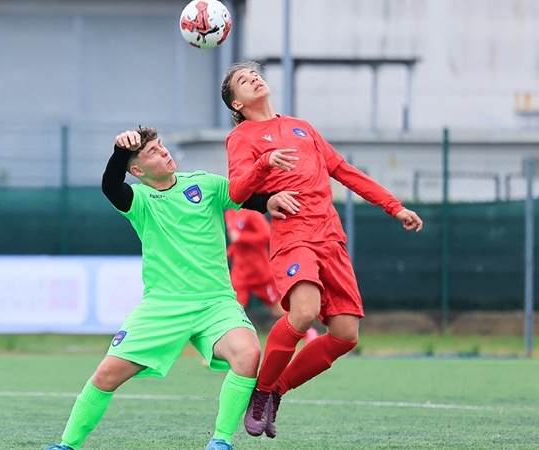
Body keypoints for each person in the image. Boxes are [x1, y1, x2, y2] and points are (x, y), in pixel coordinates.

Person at [46, 126, 298, 450]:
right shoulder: (140, 200)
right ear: (137, 170)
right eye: (152, 152)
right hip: (162, 307)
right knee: (106, 375)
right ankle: (66, 445)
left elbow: (246, 197)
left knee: (249, 354)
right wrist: (120, 151)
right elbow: (111, 186)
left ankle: (221, 442)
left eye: (161, 146)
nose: (164, 152)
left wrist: (271, 199)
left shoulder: (205, 184)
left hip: (215, 303)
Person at [219, 61, 424, 439]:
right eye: (243, 81)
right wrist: (265, 166)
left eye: (255, 74)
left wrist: (394, 206)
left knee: (346, 335)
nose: (254, 79)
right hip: (293, 234)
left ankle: (278, 388)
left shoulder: (302, 126)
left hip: (331, 235)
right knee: (305, 312)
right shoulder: (242, 137)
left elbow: (344, 170)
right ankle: (260, 393)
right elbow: (235, 192)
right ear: (236, 104)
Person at [225, 208, 284, 318]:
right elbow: (237, 245)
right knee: (236, 309)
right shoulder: (229, 214)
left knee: (277, 311)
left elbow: (267, 234)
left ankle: (307, 332)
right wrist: (227, 254)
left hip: (260, 273)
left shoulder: (252, 213)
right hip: (240, 273)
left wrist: (242, 237)